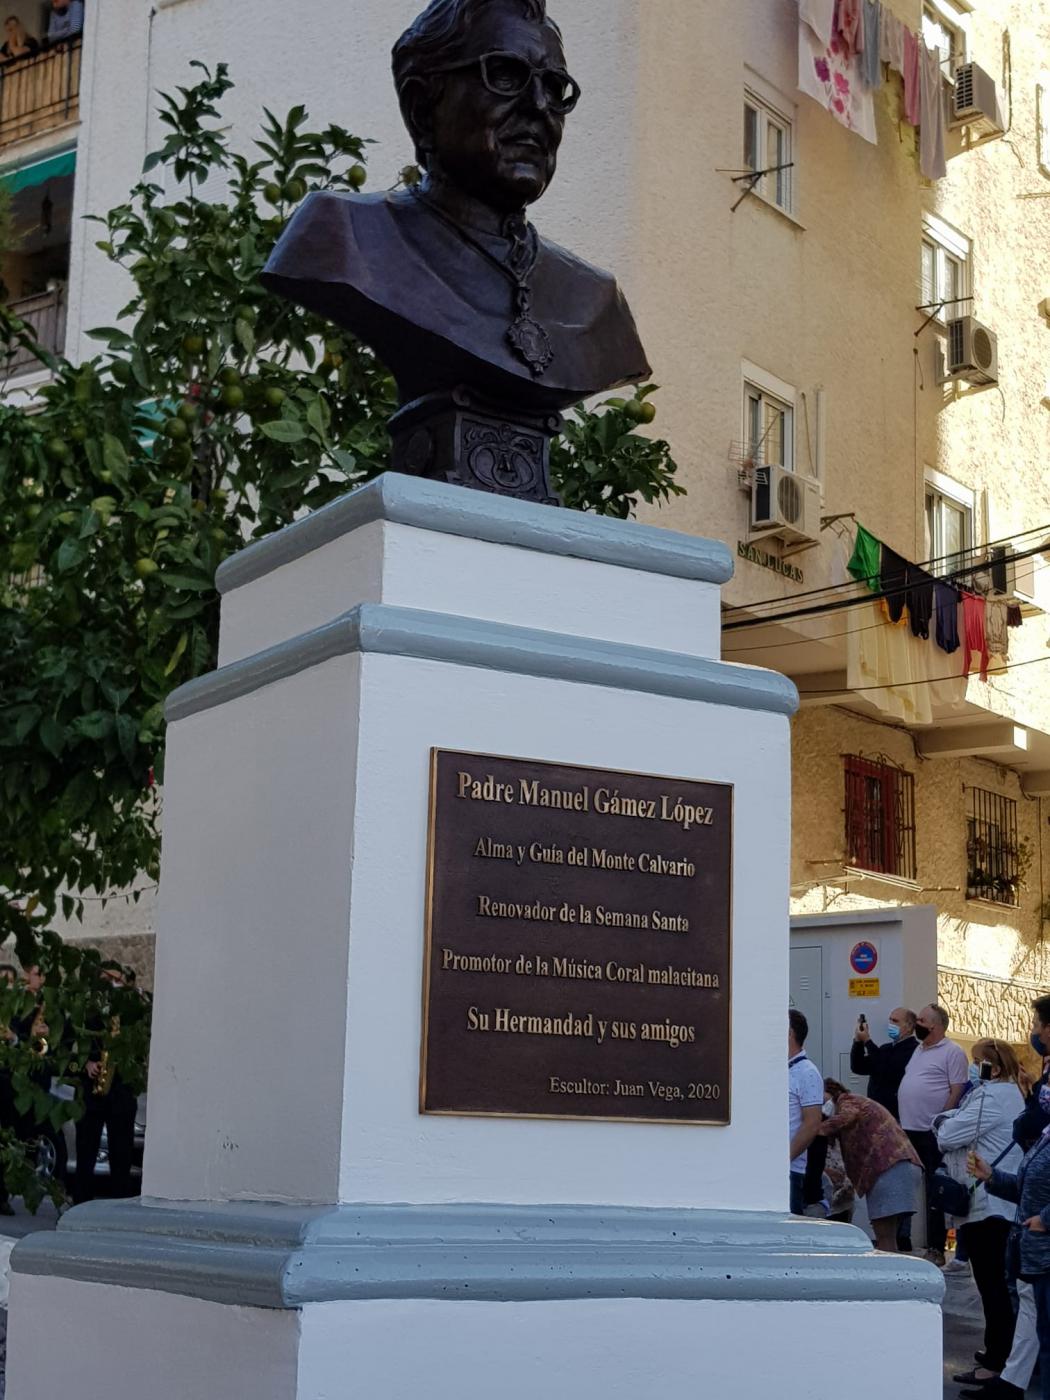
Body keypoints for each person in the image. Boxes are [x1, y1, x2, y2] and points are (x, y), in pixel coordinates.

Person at [263, 0, 650, 504]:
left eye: (554, 88)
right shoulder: (344, 237)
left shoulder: (597, 305)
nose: (539, 107)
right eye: (507, 75)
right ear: (422, 107)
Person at [935, 1040, 1025, 1387]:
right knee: (996, 1287)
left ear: (995, 1068)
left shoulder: (991, 1097)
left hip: (988, 1207)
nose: (973, 1069)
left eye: (978, 1063)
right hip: (995, 1205)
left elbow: (946, 1134)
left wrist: (945, 1120)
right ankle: (998, 1353)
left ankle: (996, 1360)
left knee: (992, 1288)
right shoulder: (1002, 1094)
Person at [972, 1120, 1050, 1400]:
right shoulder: (1045, 1134)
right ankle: (1011, 1383)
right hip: (1034, 1255)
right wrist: (992, 1176)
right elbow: (1027, 1189)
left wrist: (1046, 1219)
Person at [897, 1002, 969, 1265]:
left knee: (936, 1189)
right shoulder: (918, 1049)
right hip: (908, 1128)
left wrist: (941, 1122)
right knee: (904, 1184)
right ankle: (901, 1239)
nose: (918, 1023)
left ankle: (936, 1247)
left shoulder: (952, 1052)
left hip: (931, 1132)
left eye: (922, 1020)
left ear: (935, 1026)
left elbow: (956, 1089)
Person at [818, 1078, 923, 1251]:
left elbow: (847, 1116)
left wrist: (815, 1128)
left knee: (884, 1235)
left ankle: (889, 1274)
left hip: (889, 1167)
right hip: (897, 1167)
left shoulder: (847, 1101)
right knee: (886, 1234)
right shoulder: (858, 1102)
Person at [72, 969, 138, 1204]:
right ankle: (80, 1204)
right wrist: (85, 1065)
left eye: (117, 980)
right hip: (90, 1095)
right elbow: (67, 1050)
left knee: (121, 1157)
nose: (113, 985)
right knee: (85, 1155)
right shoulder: (85, 1014)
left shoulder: (132, 1015)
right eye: (107, 980)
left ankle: (119, 1207)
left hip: (121, 1094)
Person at [849, 1006, 919, 1120]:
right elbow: (858, 1067)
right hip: (875, 1111)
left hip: (894, 1114)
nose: (891, 1024)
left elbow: (885, 1069)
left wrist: (867, 1041)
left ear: (909, 1026)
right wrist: (858, 1041)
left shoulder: (913, 1050)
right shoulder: (885, 1048)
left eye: (895, 1021)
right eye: (890, 1020)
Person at [788, 1008, 825, 1215]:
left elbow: (811, 1123)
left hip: (790, 1171)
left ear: (789, 1033)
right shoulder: (782, 1069)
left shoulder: (807, 1072)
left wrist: (785, 1158)